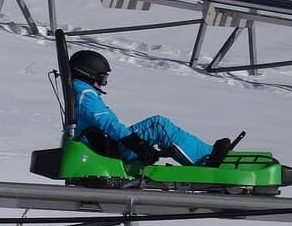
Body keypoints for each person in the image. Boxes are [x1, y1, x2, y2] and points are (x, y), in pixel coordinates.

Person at [69, 48, 232, 167]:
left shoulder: (80, 90)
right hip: (111, 148)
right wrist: (138, 145)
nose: (102, 83)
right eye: (102, 78)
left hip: (106, 144)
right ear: (88, 74)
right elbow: (108, 123)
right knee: (159, 125)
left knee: (158, 124)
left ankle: (204, 152)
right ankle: (205, 159)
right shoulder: (85, 94)